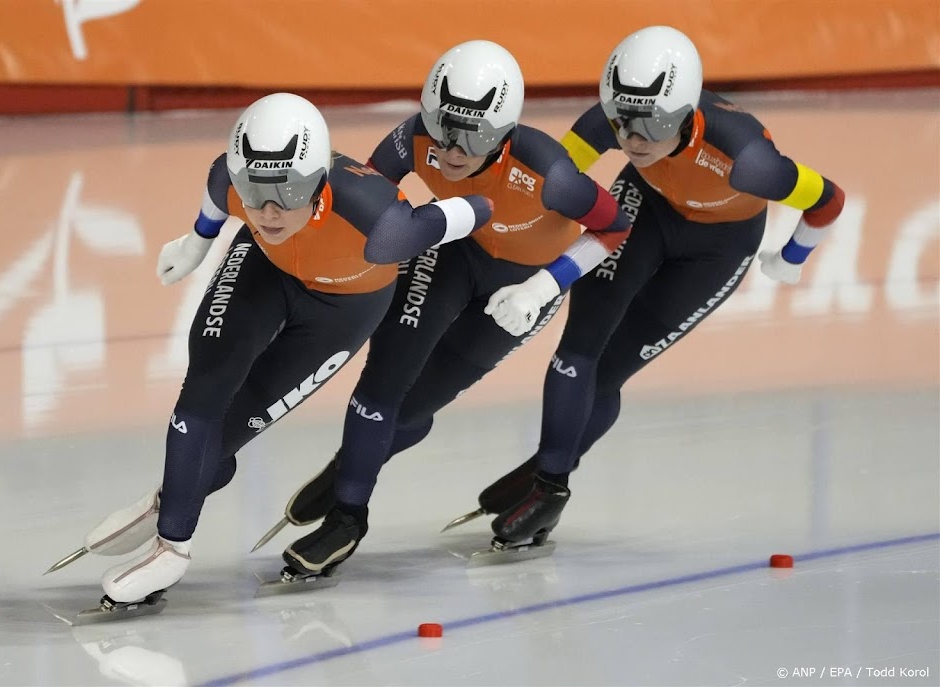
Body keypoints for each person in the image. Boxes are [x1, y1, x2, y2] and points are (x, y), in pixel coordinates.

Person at [46, 92, 494, 609]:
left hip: (343, 308)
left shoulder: (385, 229)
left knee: (234, 425)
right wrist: (196, 241)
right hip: (266, 268)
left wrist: (483, 205)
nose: (270, 209)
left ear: (318, 183)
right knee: (205, 384)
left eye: (288, 190)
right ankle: (171, 545)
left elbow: (456, 216)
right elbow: (219, 182)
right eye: (255, 190)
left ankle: (167, 502)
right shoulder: (234, 182)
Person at [272, 40, 632, 580]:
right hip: (454, 251)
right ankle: (349, 516)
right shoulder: (413, 139)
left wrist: (544, 287)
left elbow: (615, 226)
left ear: (505, 133)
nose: (453, 148)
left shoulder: (550, 174)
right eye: (444, 126)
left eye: (474, 135)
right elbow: (362, 197)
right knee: (382, 386)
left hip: (522, 284)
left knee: (416, 406)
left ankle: (357, 460)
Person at [472, 25, 847, 541]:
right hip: (644, 210)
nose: (632, 139)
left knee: (607, 373)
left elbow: (829, 200)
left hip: (716, 250)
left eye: (652, 124)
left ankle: (551, 465)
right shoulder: (615, 117)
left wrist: (793, 256)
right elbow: (547, 182)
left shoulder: (748, 163)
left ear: (686, 114)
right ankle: (550, 485)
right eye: (622, 122)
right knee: (578, 349)